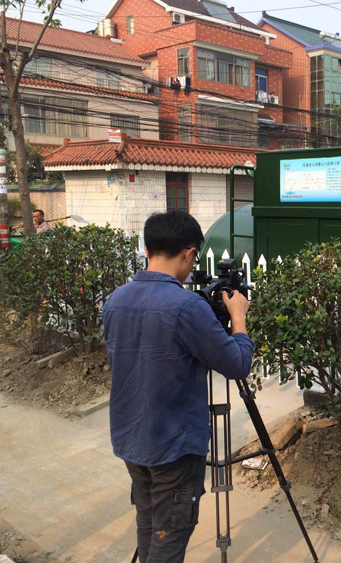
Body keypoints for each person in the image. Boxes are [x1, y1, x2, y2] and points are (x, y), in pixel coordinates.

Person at [102, 210, 253, 563]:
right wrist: (238, 318)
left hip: (131, 438)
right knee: (169, 536)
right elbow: (237, 364)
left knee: (151, 524)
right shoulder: (186, 306)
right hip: (173, 445)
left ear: (147, 249)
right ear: (189, 253)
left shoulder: (115, 300)